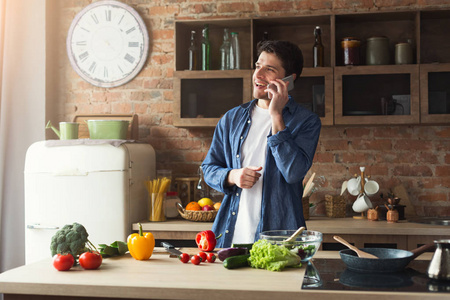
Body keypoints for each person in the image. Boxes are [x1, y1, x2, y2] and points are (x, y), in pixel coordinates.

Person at [201, 40, 321, 248]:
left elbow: (293, 173)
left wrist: (276, 115)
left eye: (269, 69)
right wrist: (233, 175)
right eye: (258, 66)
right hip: (231, 236)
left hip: (281, 241)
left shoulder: (306, 121)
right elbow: (209, 168)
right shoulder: (231, 119)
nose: (258, 75)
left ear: (288, 80)